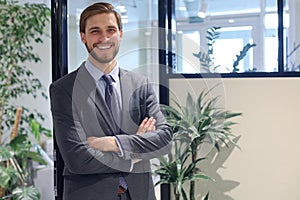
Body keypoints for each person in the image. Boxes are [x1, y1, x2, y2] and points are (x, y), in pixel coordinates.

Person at [49, 2, 172, 200]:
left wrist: (113, 143)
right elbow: (77, 159)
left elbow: (164, 139)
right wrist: (135, 154)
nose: (104, 38)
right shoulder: (64, 90)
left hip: (139, 194)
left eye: (111, 30)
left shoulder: (140, 84)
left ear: (120, 33)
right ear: (83, 37)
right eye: (95, 31)